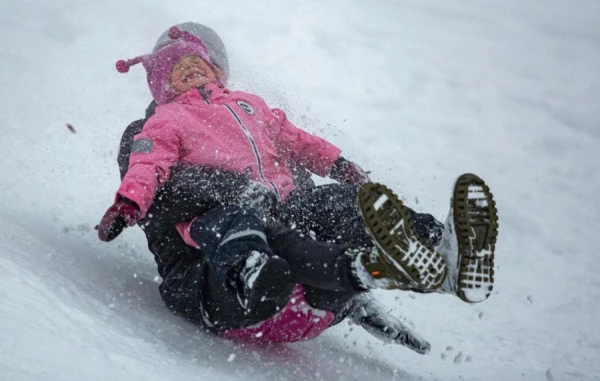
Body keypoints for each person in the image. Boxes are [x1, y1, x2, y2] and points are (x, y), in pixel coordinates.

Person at [97, 23, 499, 353]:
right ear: (159, 82)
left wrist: (341, 169)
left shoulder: (251, 115)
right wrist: (129, 205)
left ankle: (434, 247)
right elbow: (159, 189)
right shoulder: (152, 128)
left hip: (313, 291)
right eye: (176, 68)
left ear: (218, 70)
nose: (189, 71)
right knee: (251, 226)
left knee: (336, 203)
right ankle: (256, 271)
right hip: (220, 290)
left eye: (197, 63)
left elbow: (299, 154)